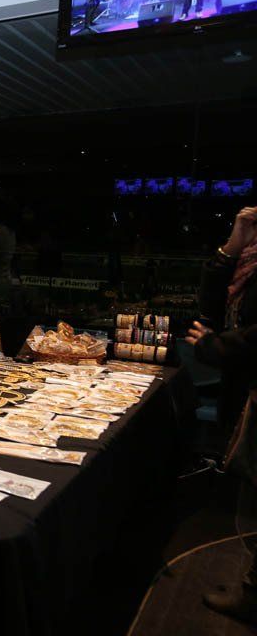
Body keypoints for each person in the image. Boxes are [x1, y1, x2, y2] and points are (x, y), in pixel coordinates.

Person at [186, 206, 257, 623]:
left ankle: (253, 596)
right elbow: (209, 307)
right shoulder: (248, 258)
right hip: (244, 388)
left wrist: (214, 347)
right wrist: (233, 245)